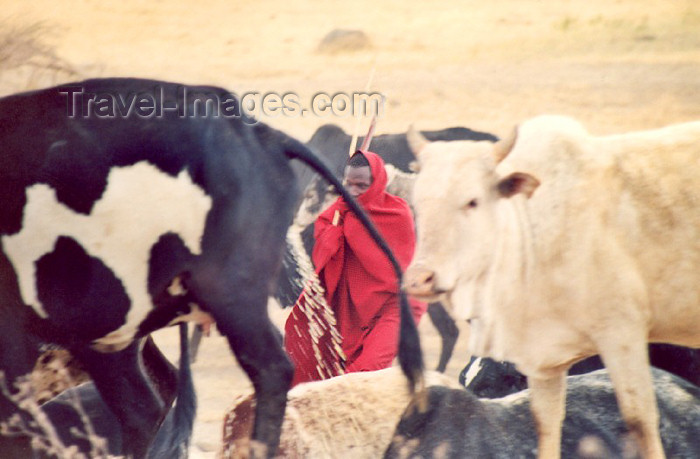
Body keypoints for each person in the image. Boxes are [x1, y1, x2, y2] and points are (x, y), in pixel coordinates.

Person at [284, 150, 427, 386]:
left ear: (377, 183)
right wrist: (332, 234)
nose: (353, 192)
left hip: (394, 306)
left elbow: (396, 271)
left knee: (361, 376)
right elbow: (322, 264)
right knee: (316, 371)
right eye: (348, 184)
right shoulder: (336, 214)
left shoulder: (397, 213)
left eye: (361, 185)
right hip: (349, 309)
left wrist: (348, 227)